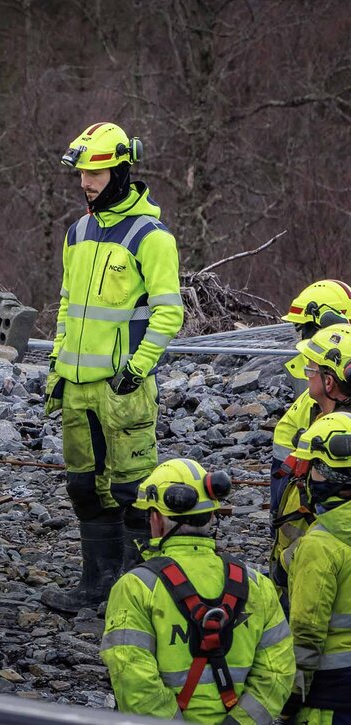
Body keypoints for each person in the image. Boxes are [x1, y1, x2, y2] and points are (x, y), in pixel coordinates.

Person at [42, 122, 184, 614]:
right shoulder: (78, 231)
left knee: (131, 490)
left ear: (123, 170)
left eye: (97, 172)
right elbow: (65, 306)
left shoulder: (152, 236)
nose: (87, 181)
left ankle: (134, 594)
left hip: (123, 388)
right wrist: (58, 367)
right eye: (83, 172)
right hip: (77, 387)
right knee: (83, 487)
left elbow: (169, 312)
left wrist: (139, 367)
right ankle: (94, 586)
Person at [100, 458, 293, 723]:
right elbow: (278, 672)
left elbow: (132, 678)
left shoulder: (136, 587)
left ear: (155, 519)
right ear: (212, 515)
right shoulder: (256, 584)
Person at [272, 299, 351, 601]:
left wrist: (286, 563)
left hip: (313, 577)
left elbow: (329, 520)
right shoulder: (320, 418)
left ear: (329, 382)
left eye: (312, 369)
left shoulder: (334, 444)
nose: (306, 373)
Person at [285, 407, 351, 723]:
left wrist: (290, 700)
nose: (309, 477)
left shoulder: (320, 545)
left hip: (330, 695)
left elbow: (307, 632)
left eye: (315, 469)